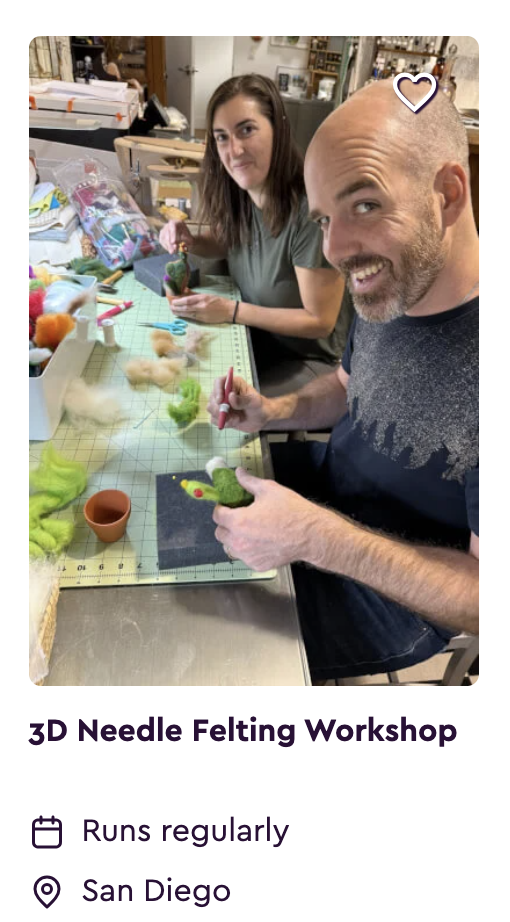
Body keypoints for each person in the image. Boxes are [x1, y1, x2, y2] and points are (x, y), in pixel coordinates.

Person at [207, 80, 479, 681]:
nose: (334, 250)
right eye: (325, 219)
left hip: (399, 593)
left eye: (365, 205)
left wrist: (315, 537)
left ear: (448, 195)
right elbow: (347, 386)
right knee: (180, 519)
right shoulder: (395, 286)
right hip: (331, 488)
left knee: (210, 649)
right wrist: (272, 411)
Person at [159, 73, 350, 397]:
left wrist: (230, 311)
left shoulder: (309, 213)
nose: (234, 150)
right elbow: (231, 243)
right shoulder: (245, 195)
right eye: (221, 137)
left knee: (220, 403)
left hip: (308, 360)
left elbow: (320, 321)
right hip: (257, 336)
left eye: (246, 130)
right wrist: (193, 241)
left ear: (278, 129)